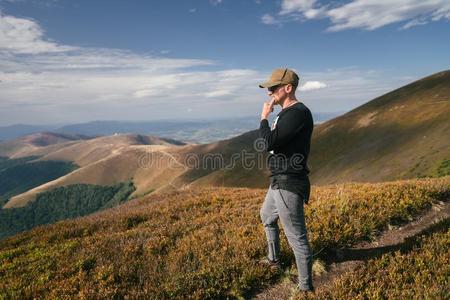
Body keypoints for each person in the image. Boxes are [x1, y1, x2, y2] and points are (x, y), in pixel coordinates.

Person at [258, 68, 314, 293]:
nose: (269, 92)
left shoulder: (297, 113)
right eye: (269, 88)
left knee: (297, 238)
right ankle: (274, 261)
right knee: (266, 216)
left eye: (273, 88)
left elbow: (269, 142)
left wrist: (263, 117)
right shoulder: (286, 113)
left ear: (288, 88)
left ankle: (305, 289)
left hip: (289, 181)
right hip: (280, 180)